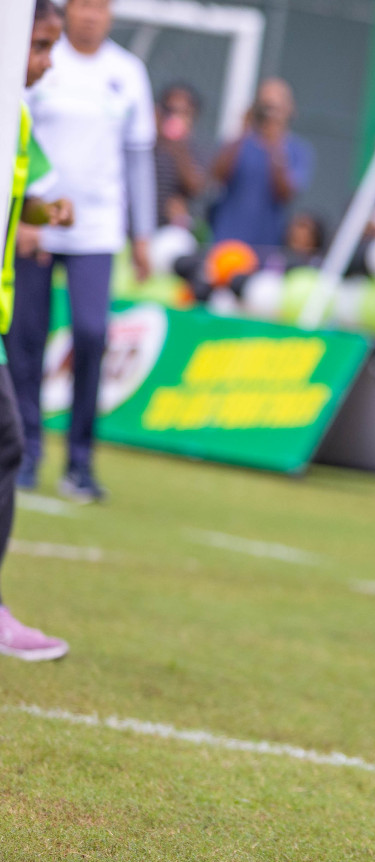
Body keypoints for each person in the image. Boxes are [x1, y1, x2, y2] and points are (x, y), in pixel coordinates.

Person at [11, 0, 156, 501]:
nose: (90, 15)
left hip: (97, 228)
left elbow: (138, 160)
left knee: (92, 335)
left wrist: (143, 234)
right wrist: (30, 215)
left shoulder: (127, 72)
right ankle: (27, 450)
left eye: (100, 6)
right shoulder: (37, 57)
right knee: (26, 337)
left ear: (112, 14)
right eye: (82, 5)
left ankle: (80, 460)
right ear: (66, 10)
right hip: (34, 225)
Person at [0, 0, 71, 658]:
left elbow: (28, 196)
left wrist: (47, 209)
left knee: (6, 445)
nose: (46, 63)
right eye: (40, 46)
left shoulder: (15, 118)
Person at [209, 77, 314, 250]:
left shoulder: (298, 150)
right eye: (264, 107)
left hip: (268, 244)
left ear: (290, 109)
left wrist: (275, 146)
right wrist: (243, 131)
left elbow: (286, 194)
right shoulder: (237, 144)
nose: (269, 115)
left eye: (275, 108)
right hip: (227, 241)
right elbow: (216, 177)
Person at [154, 81, 207, 230]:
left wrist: (178, 145)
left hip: (169, 231)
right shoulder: (145, 145)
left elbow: (196, 187)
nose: (175, 117)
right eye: (169, 111)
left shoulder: (193, 151)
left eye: (183, 112)